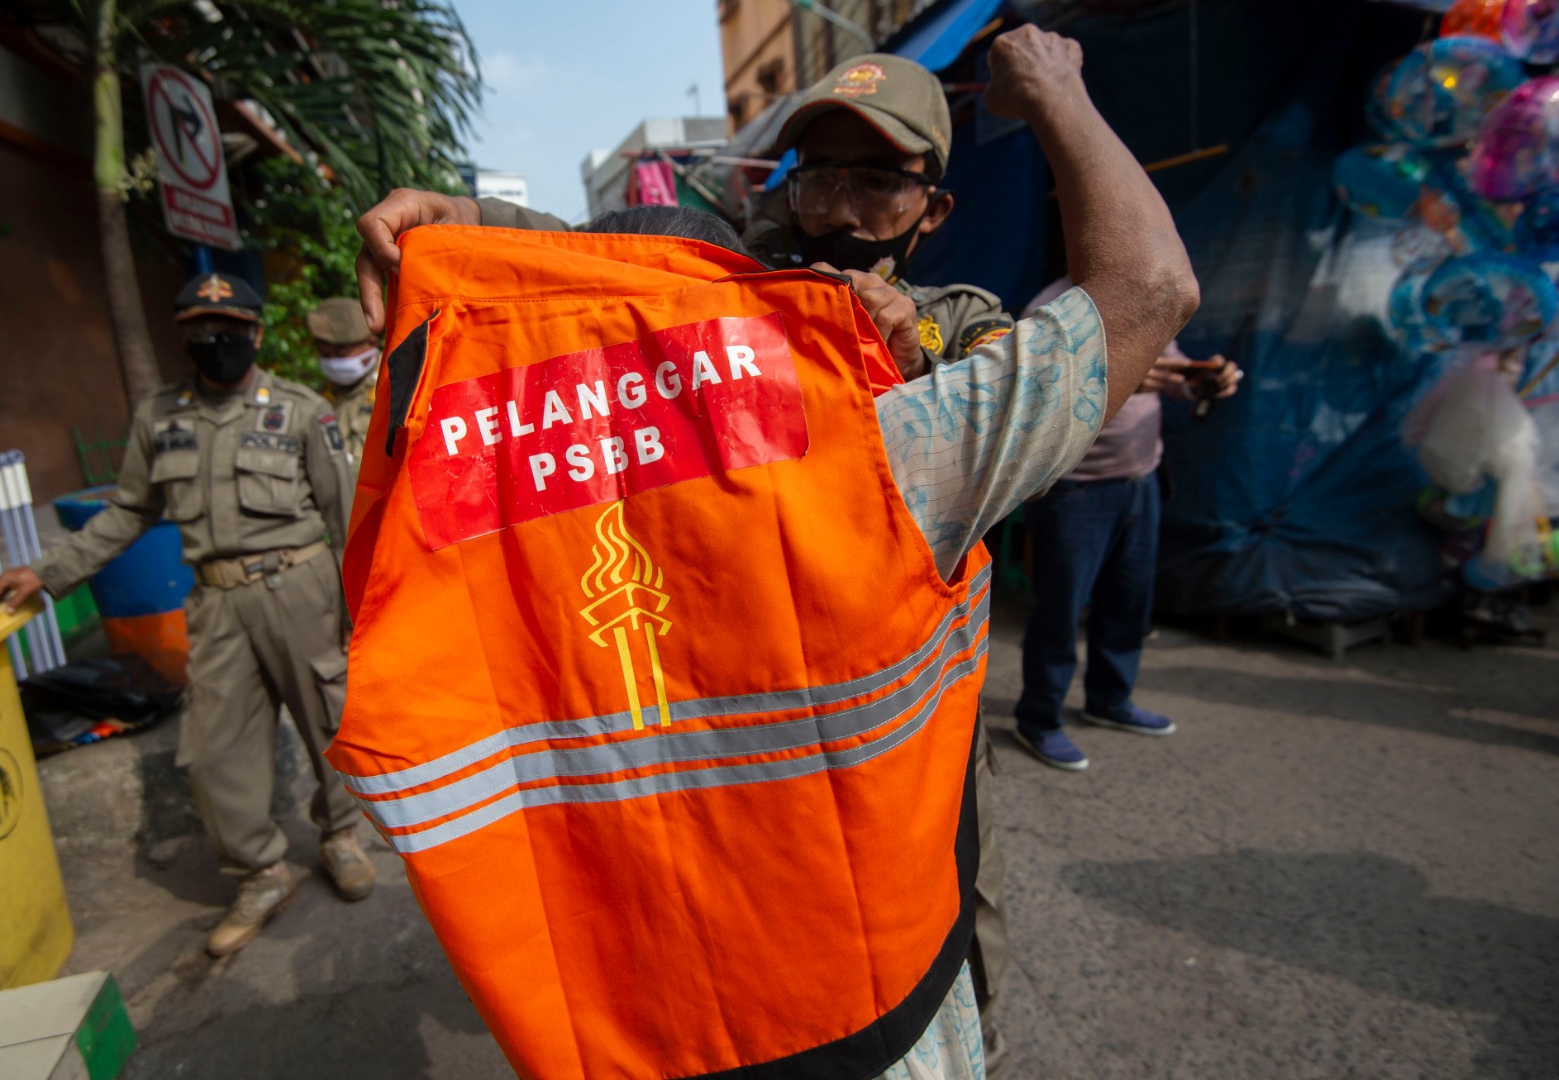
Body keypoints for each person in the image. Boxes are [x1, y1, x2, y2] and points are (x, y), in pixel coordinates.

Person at [342, 24, 1197, 1079]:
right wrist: (468, 222)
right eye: (823, 174)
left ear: (933, 213)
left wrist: (899, 348)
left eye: (878, 182)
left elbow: (1054, 338)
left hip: (896, 734)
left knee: (942, 903)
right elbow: (607, 263)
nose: (840, 210)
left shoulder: (946, 330)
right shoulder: (726, 313)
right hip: (717, 730)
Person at [0, 271, 377, 957]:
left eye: (229, 328)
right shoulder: (161, 419)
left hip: (302, 586)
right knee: (213, 748)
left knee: (331, 722)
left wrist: (360, 612)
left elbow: (346, 518)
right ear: (183, 335)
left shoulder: (301, 409)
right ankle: (259, 871)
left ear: (255, 332)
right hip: (216, 602)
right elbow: (129, 512)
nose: (216, 339)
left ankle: (341, 835)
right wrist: (48, 573)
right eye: (200, 329)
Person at [1010, 278, 1241, 771]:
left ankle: (1110, 700)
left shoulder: (1145, 290)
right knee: (1060, 610)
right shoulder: (1051, 307)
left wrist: (1202, 381)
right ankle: (1039, 719)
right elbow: (1035, 392)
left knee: (1128, 600)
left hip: (1141, 480)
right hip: (1074, 491)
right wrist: (1121, 379)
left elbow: (1173, 374)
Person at [307, 297, 381, 473]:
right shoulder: (318, 396)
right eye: (325, 354)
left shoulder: (394, 386)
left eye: (341, 354)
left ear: (371, 344)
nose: (333, 362)